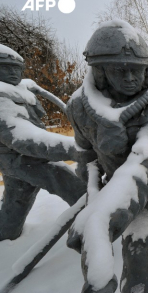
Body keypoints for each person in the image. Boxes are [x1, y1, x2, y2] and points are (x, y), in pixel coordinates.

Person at [65, 20, 148, 293]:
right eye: (120, 70)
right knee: (93, 256)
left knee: (142, 254)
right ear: (101, 72)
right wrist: (92, 184)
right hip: (109, 183)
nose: (131, 78)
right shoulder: (78, 107)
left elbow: (146, 165)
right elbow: (85, 152)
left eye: (137, 70)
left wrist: (101, 221)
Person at [0, 44, 92, 241]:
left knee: (14, 208)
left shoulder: (20, 93)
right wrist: (74, 149)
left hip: (25, 160)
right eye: (6, 68)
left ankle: (6, 237)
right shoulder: (1, 99)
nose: (13, 73)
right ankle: (95, 227)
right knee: (70, 184)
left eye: (16, 69)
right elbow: (22, 139)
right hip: (19, 160)